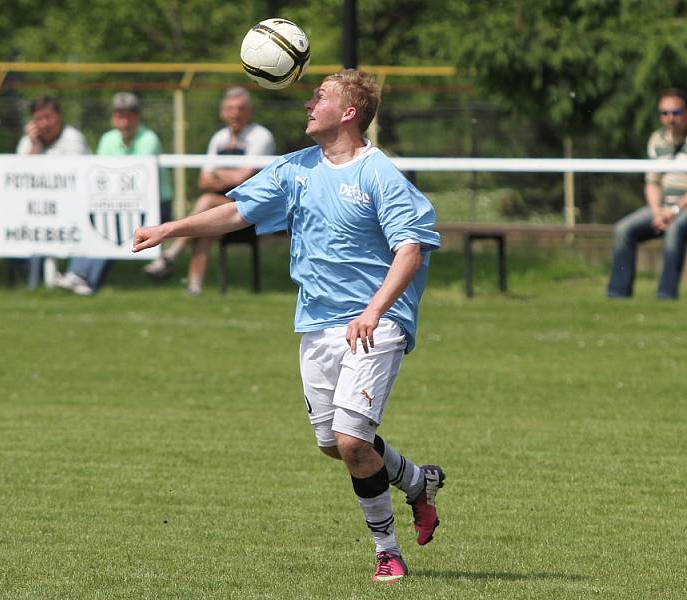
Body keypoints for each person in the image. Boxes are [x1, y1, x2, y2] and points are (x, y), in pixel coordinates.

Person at [132, 70, 444, 584]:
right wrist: (173, 228)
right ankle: (416, 481)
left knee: (350, 440)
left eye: (319, 96)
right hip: (317, 326)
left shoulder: (378, 173)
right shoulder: (295, 168)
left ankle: (387, 551)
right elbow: (236, 213)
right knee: (335, 443)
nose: (307, 102)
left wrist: (374, 310)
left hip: (375, 322)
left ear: (348, 112)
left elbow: (410, 248)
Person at [143, 86, 275, 295]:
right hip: (225, 207)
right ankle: (194, 287)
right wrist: (228, 176)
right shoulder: (219, 138)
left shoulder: (261, 136)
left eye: (240, 108)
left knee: (206, 203)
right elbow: (204, 180)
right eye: (230, 108)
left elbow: (242, 178)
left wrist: (219, 175)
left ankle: (172, 254)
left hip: (255, 210)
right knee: (206, 222)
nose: (235, 114)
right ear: (223, 112)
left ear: (249, 112)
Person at [54, 92, 174, 296]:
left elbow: (137, 179)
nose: (124, 121)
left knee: (108, 226)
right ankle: (81, 276)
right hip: (119, 203)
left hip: (155, 205)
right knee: (97, 221)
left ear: (137, 117)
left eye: (129, 115)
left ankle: (84, 277)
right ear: (113, 117)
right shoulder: (108, 139)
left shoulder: (149, 139)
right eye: (120, 115)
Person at [607, 87, 687, 299]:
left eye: (676, 112)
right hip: (663, 206)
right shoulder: (656, 140)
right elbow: (652, 183)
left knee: (675, 229)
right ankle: (617, 295)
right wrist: (657, 212)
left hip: (684, 208)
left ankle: (666, 295)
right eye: (664, 113)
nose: (670, 118)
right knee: (623, 229)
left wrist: (675, 210)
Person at [14, 95, 91, 289]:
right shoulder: (27, 142)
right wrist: (35, 147)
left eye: (48, 117)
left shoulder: (72, 138)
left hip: (74, 207)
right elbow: (19, 177)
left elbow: (73, 178)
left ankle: (75, 275)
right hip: (34, 209)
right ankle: (32, 280)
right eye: (39, 118)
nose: (44, 123)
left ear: (59, 117)